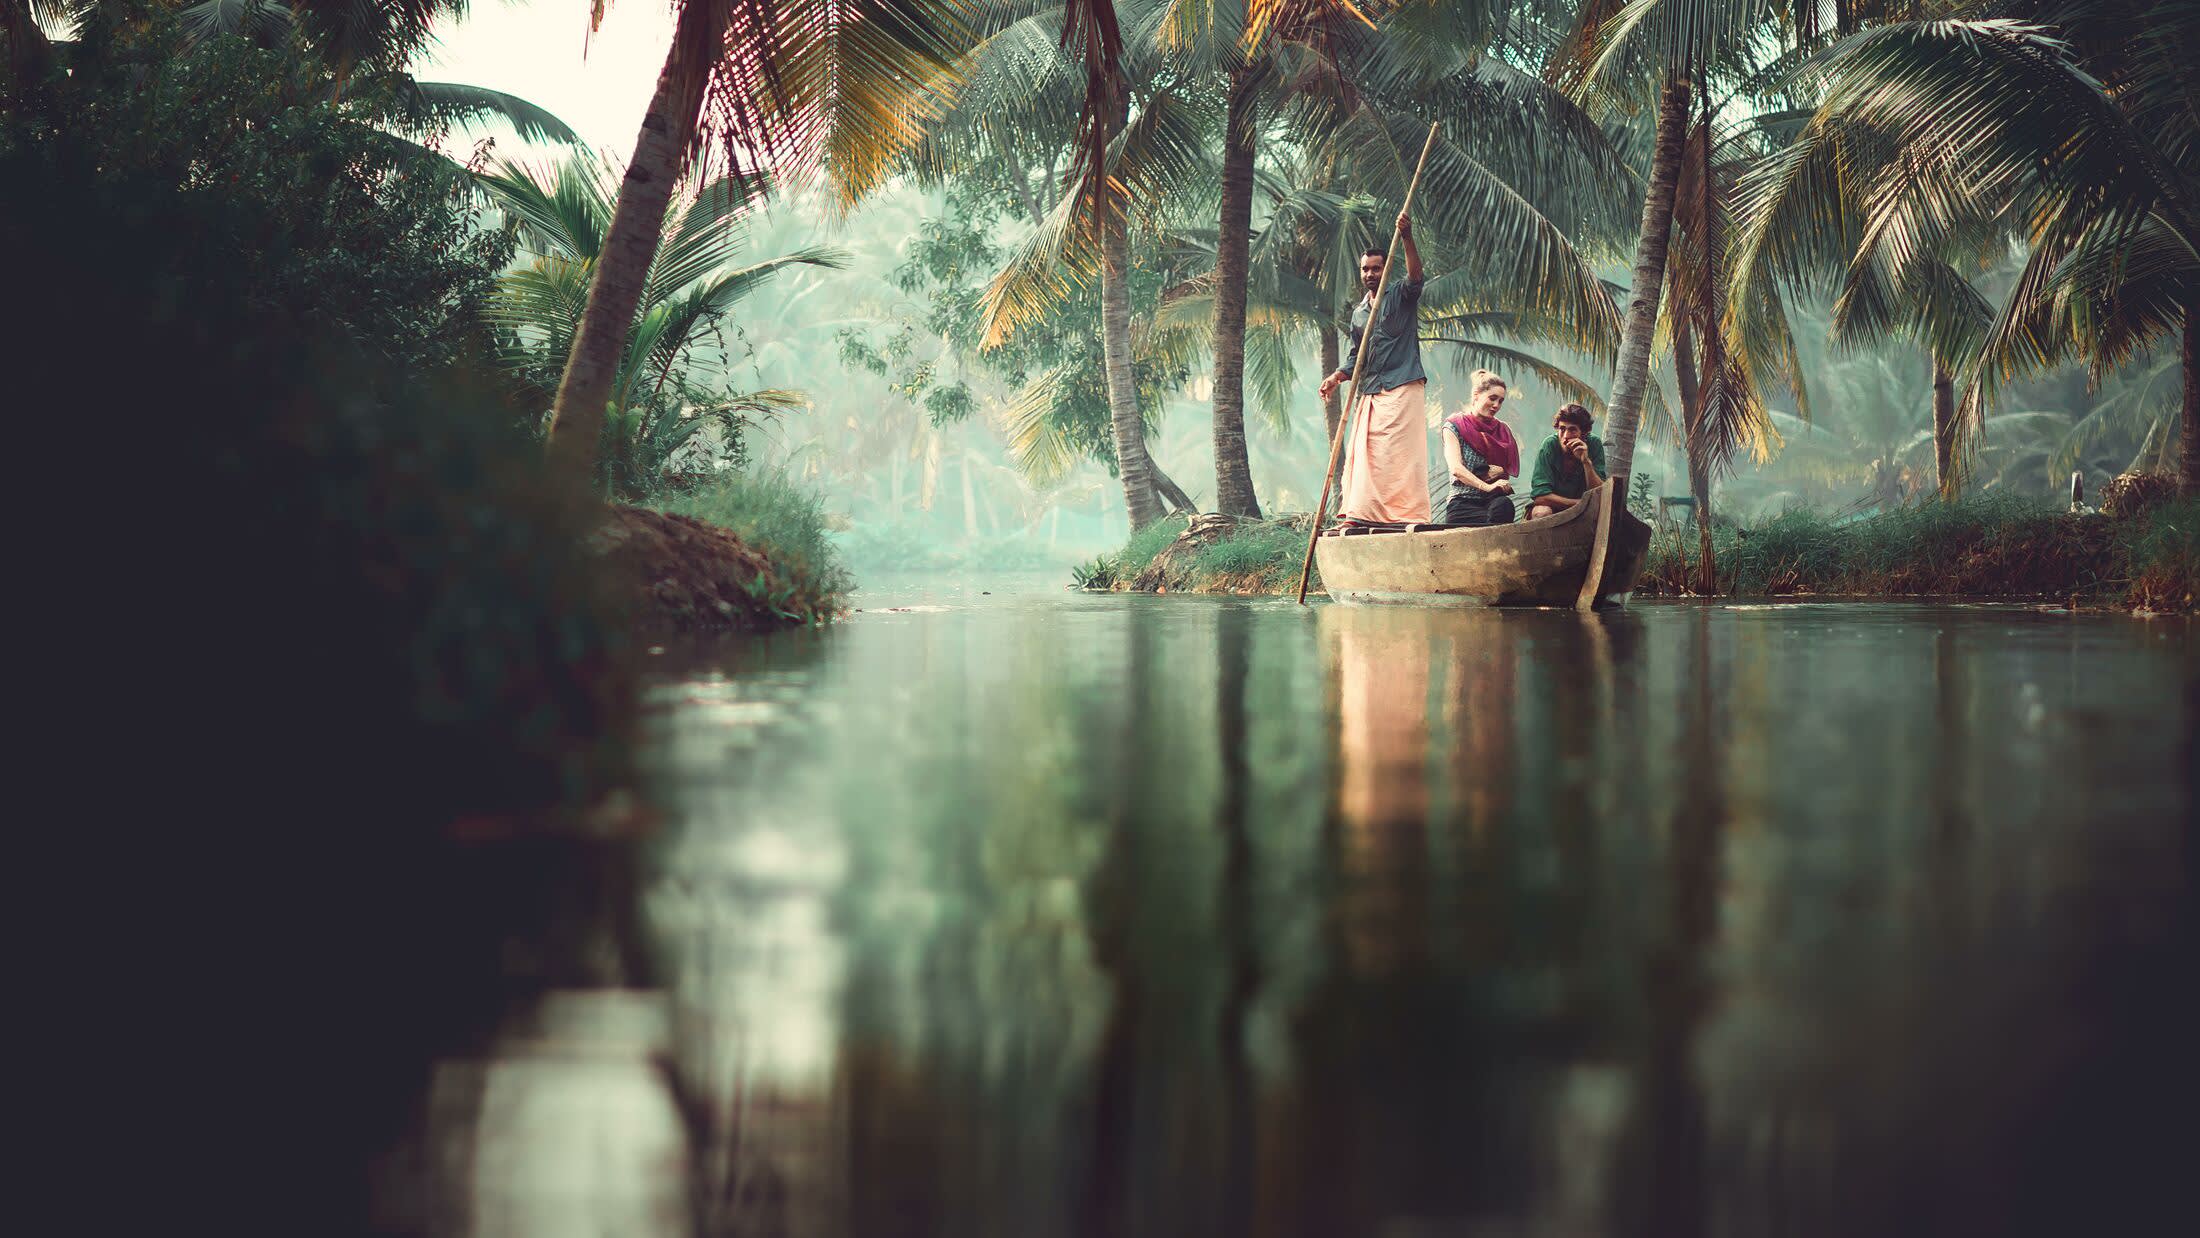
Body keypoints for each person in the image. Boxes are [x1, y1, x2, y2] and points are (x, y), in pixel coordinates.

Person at [1318, 211, 1427, 526]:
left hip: (1403, 384)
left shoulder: (1400, 295)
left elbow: (1416, 276)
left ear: (1385, 269)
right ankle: (1360, 515)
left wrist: (1406, 236)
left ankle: (1403, 516)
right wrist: (1337, 377)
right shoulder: (1359, 314)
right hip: (1371, 389)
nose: (1370, 273)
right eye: (1365, 269)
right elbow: (1358, 357)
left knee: (1398, 455)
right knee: (1363, 454)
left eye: (1376, 268)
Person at [1441, 370, 1519, 526]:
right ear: (1476, 395)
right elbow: (1456, 469)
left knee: (1504, 506)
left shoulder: (1502, 430)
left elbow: (1504, 472)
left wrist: (1500, 476)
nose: (1496, 405)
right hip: (1462, 502)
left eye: (1501, 401)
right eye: (1492, 398)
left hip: (1492, 503)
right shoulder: (1454, 426)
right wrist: (1487, 486)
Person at [1526, 403, 1606, 519]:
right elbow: (1540, 496)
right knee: (1542, 512)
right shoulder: (1550, 445)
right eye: (1562, 429)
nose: (1566, 436)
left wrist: (1586, 462)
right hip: (1553, 506)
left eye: (1572, 430)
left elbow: (1599, 494)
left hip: (1586, 512)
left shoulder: (1594, 444)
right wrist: (1579, 504)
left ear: (1584, 433)